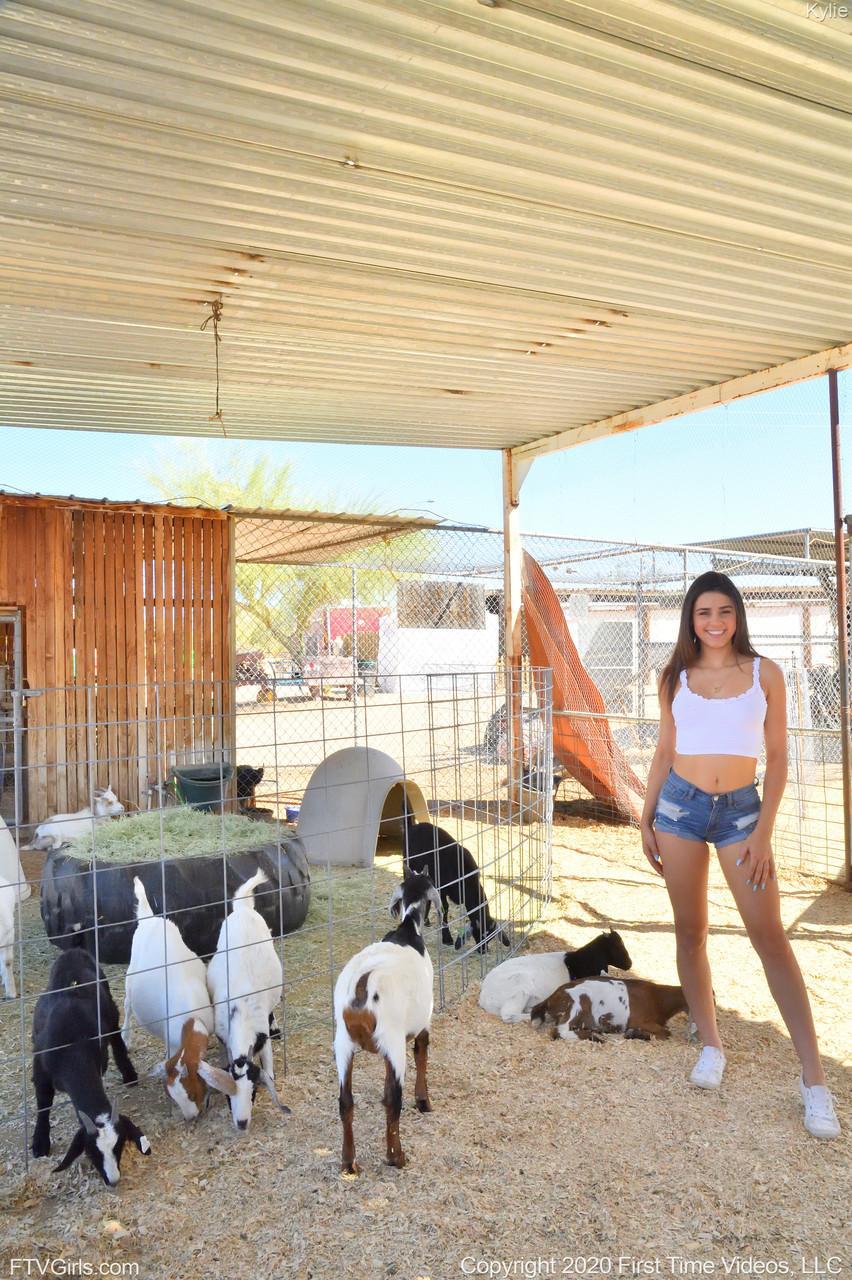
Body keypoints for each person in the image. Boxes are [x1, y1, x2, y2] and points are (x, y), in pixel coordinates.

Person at [640, 571, 840, 1139]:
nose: (715, 622)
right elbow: (662, 752)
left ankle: (814, 1081)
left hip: (741, 815)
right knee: (691, 932)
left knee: (770, 937)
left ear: (738, 616)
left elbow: (777, 759)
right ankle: (710, 1043)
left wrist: (763, 833)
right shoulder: (674, 676)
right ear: (691, 619)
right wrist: (645, 818)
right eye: (704, 613)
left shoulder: (764, 674)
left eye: (724, 611)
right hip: (678, 809)